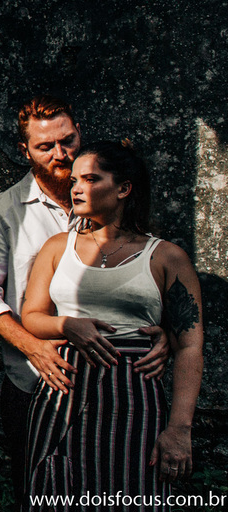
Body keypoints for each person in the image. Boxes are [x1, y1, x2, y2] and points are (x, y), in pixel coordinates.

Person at [0, 97, 169, 510]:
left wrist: (163, 334)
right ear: (25, 152)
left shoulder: (113, 199)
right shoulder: (3, 212)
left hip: (116, 386)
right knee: (41, 494)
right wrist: (32, 346)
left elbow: (143, 274)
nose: (61, 154)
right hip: (34, 381)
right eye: (45, 147)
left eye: (68, 140)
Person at [20, 140, 204, 507]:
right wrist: (67, 326)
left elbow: (190, 344)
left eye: (90, 179)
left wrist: (180, 428)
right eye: (74, 179)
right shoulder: (58, 247)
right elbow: (32, 316)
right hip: (64, 393)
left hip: (133, 399)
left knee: (132, 493)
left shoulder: (166, 256)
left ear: (123, 188)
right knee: (55, 490)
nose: (76, 188)